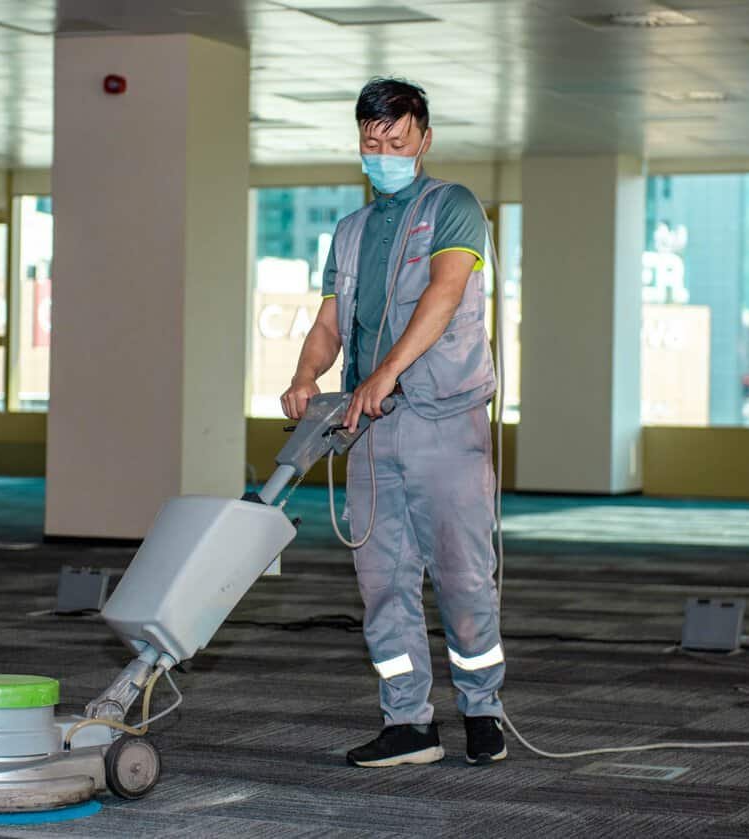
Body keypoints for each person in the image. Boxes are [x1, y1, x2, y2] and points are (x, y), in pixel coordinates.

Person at [280, 78, 506, 768]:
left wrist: (387, 374)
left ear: (424, 139)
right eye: (371, 141)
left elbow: (442, 297)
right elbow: (329, 321)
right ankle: (407, 721)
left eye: (396, 141)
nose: (382, 152)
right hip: (368, 431)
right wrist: (305, 373)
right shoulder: (349, 232)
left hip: (444, 421)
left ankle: (482, 708)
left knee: (464, 576)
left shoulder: (454, 209)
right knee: (383, 583)